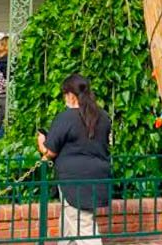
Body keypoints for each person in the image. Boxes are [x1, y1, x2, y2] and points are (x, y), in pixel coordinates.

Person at [38, 74, 111, 245]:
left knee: (82, 224)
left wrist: (41, 142)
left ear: (71, 95)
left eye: (65, 94)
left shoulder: (66, 117)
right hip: (97, 176)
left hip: (73, 180)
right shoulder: (103, 116)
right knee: (69, 220)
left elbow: (50, 151)